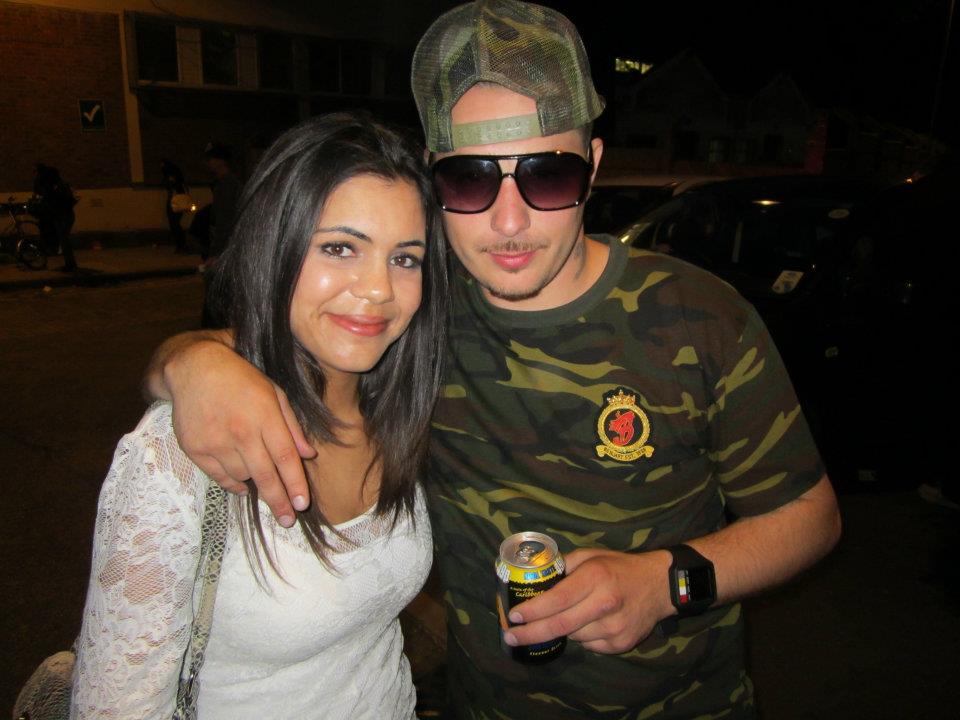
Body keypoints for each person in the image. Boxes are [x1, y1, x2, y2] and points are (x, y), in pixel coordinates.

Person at [144, 2, 841, 718]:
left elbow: (810, 518)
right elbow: (278, 341)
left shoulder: (699, 317)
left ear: (593, 169)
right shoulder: (412, 312)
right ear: (434, 181)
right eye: (471, 179)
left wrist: (669, 584)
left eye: (549, 175)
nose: (510, 221)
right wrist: (191, 362)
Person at [73, 112, 448, 719]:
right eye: (340, 248)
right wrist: (190, 362)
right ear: (275, 248)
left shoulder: (398, 406)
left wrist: (187, 354)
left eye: (405, 258)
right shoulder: (181, 452)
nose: (379, 289)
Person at [200, 142, 241, 327]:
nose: (207, 164)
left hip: (226, 249)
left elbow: (225, 221)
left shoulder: (227, 185)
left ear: (220, 161)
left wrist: (216, 253)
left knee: (217, 296)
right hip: (227, 247)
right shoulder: (224, 183)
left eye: (210, 159)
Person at [33, 163, 78, 272]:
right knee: (63, 240)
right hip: (64, 215)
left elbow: (50, 198)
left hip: (62, 216)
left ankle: (70, 264)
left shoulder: (53, 186)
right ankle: (69, 263)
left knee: (64, 240)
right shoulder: (58, 184)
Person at [161, 158, 190, 253]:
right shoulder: (178, 177)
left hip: (175, 201)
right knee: (175, 224)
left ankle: (181, 245)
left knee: (174, 224)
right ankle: (181, 245)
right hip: (178, 201)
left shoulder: (171, 177)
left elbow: (172, 187)